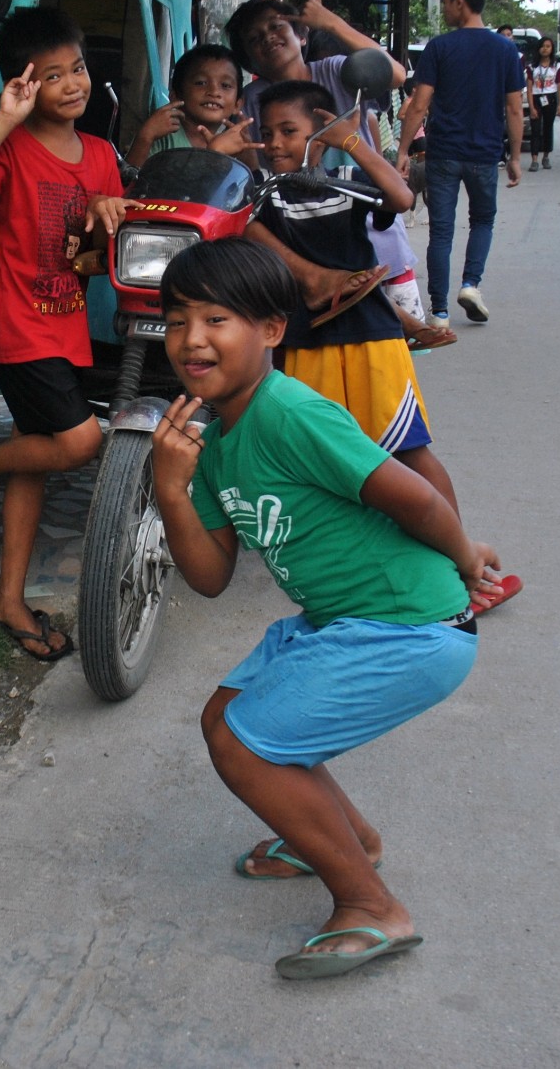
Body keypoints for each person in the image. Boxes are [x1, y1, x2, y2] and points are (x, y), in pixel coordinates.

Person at [146, 238, 502, 980]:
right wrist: (172, 490)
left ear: (272, 330)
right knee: (227, 716)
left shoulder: (291, 414)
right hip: (347, 620)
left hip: (410, 624)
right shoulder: (208, 440)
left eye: (218, 318)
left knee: (249, 743)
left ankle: (371, 905)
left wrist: (467, 559)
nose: (193, 339)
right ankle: (348, 838)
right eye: (177, 320)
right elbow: (209, 576)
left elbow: (413, 493)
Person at [0, 6, 128, 661]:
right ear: (24, 85)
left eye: (76, 68)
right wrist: (1, 121)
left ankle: (8, 599)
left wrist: (105, 225)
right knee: (79, 443)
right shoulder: (13, 147)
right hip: (18, 326)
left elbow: (90, 264)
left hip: (65, 324)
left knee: (36, 453)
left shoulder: (101, 156)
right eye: (52, 76)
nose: (73, 83)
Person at [244, 82, 460, 499]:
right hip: (305, 337)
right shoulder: (260, 189)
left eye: (288, 132)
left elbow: (400, 196)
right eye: (267, 133)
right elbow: (230, 220)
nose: (273, 144)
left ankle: (459, 553)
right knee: (314, 459)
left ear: (321, 137)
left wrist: (355, 144)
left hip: (370, 335)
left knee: (406, 452)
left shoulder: (347, 180)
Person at [227, 0, 437, 337]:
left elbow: (397, 74)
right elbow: (256, 175)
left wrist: (330, 21)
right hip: (304, 236)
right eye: (254, 37)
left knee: (391, 350)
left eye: (276, 26)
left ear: (302, 35)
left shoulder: (336, 70)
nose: (267, 37)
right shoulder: (251, 100)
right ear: (248, 56)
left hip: (370, 220)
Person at [400, 0, 524, 326]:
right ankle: (471, 284)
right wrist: (514, 157)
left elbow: (420, 104)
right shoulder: (505, 49)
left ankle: (439, 313)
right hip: (484, 154)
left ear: (459, 2)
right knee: (482, 220)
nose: (443, 10)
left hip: (443, 152)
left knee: (442, 230)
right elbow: (514, 108)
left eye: (444, 2)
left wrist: (404, 151)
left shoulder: (440, 48)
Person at [127, 44, 262, 169]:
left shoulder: (235, 145)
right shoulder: (161, 135)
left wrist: (249, 157)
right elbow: (126, 185)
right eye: (201, 83)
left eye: (226, 85)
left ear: (237, 104)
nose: (214, 92)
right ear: (176, 96)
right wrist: (145, 137)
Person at [525, 36, 560, 171]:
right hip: (536, 98)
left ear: (552, 49)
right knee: (535, 130)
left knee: (548, 128)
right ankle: (534, 159)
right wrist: (531, 107)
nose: (545, 49)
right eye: (542, 46)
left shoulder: (556, 66)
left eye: (548, 46)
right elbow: (529, 88)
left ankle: (546, 156)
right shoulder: (532, 67)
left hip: (550, 98)